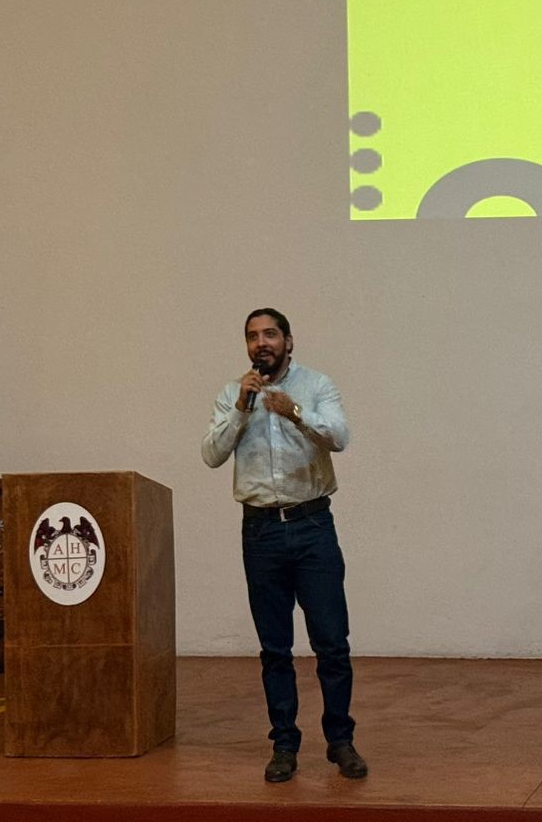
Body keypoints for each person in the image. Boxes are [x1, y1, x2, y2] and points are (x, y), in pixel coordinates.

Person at [202, 307, 368, 783]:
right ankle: (284, 746)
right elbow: (211, 455)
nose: (262, 343)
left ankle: (340, 741)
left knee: (331, 642)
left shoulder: (316, 386)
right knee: (275, 648)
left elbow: (339, 437)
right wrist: (242, 407)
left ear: (289, 341)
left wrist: (294, 412)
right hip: (261, 533)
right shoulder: (233, 395)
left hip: (312, 525)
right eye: (253, 336)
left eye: (271, 334)